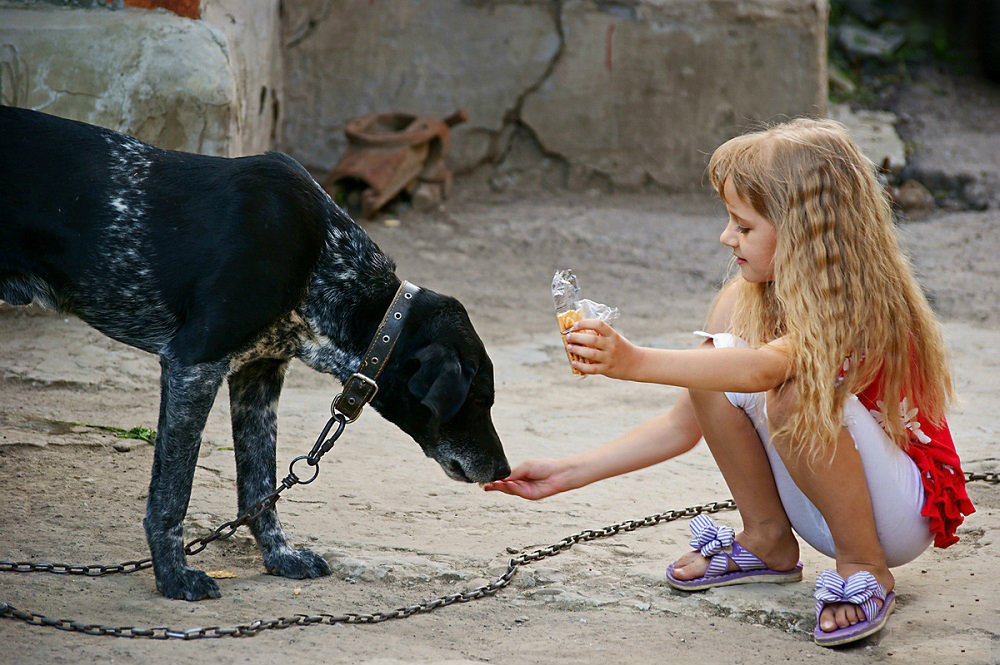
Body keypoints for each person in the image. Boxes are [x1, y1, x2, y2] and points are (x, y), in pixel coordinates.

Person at [483, 118, 975, 647]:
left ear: (807, 233)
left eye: (743, 227)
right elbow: (683, 425)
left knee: (792, 390)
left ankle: (864, 567)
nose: (726, 238)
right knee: (714, 362)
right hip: (821, 501)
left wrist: (630, 359)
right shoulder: (744, 300)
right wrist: (567, 472)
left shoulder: (857, 303)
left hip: (900, 511)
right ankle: (767, 541)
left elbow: (765, 370)